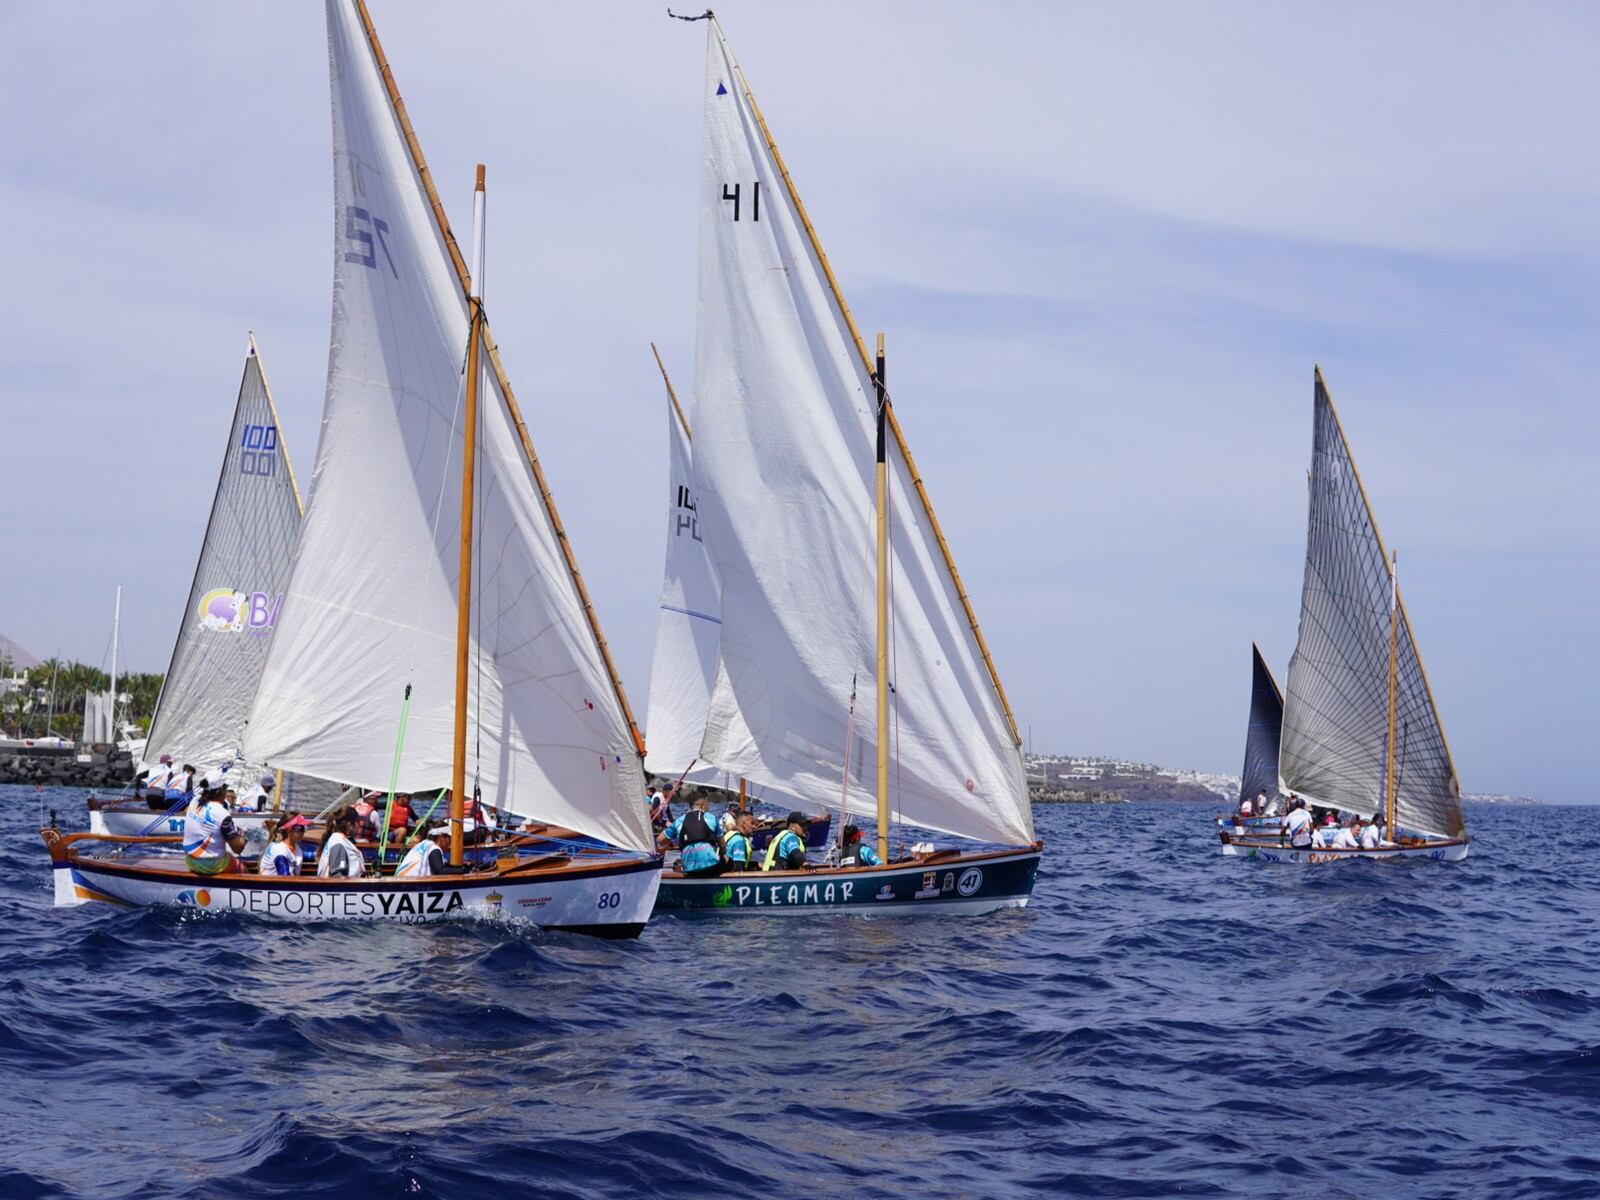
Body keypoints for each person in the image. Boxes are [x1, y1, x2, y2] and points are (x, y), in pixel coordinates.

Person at [182, 771, 246, 875]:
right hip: (211, 865)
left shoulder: (194, 800)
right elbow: (237, 849)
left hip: (190, 860)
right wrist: (243, 838)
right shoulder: (222, 813)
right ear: (221, 790)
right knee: (243, 869)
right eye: (226, 787)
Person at [674, 795, 724, 877]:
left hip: (688, 866)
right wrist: (724, 854)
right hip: (711, 865)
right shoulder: (711, 818)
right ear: (702, 805)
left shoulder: (679, 820)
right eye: (707, 803)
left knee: (677, 864)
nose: (708, 806)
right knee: (729, 861)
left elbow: (660, 839)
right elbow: (722, 845)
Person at [395, 825, 471, 878]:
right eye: (449, 838)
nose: (450, 842)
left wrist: (460, 867)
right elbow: (440, 870)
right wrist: (464, 871)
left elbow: (443, 865)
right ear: (442, 838)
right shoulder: (434, 848)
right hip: (410, 883)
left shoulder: (425, 843)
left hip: (402, 879)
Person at [317, 810, 366, 878]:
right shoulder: (339, 843)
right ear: (350, 825)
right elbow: (337, 877)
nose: (359, 826)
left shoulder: (340, 840)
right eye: (358, 822)